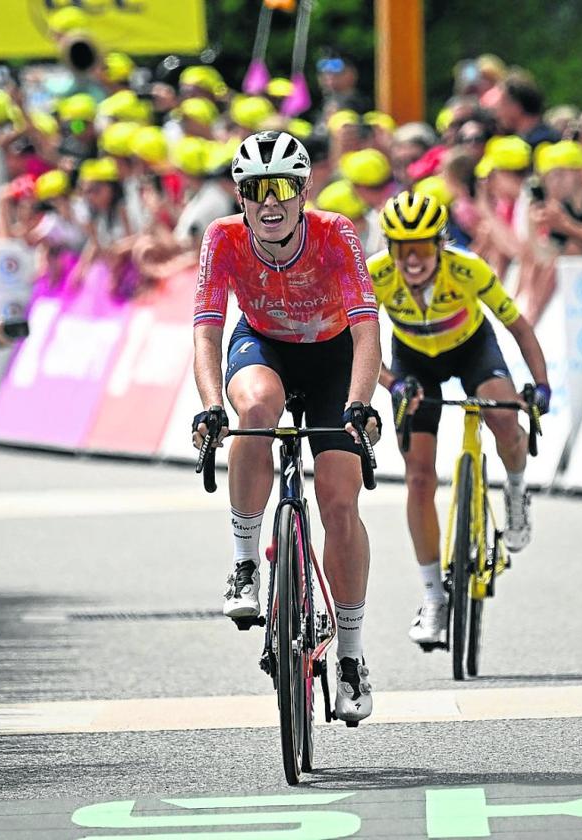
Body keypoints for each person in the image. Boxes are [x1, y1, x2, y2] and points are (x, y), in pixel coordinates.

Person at [191, 130, 383, 723]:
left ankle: (349, 657)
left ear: (303, 193)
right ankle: (247, 562)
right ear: (240, 197)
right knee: (254, 412)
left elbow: (366, 326)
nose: (269, 204)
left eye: (282, 189)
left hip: (333, 361)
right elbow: (206, 327)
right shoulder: (222, 237)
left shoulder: (335, 233)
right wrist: (208, 404)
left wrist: (359, 403)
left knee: (338, 503)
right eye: (254, 191)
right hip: (263, 347)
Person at [366, 191, 549, 646]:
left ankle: (516, 491)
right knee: (420, 479)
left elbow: (519, 328)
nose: (411, 258)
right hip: (413, 362)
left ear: (440, 243)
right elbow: (358, 345)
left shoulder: (468, 268)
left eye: (422, 246)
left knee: (506, 419)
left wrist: (541, 385)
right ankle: (433, 597)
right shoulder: (375, 276)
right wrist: (392, 385)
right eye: (400, 247)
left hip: (472, 349)